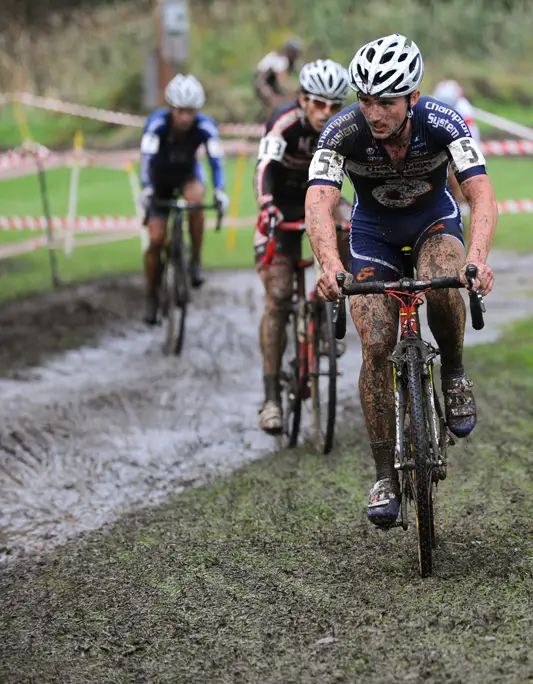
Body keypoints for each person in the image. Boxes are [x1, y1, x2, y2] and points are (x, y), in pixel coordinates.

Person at [304, 33, 499, 528]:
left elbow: (481, 194)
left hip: (434, 224)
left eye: (386, 101)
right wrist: (330, 266)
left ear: (412, 98)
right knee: (375, 346)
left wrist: (476, 258)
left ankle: (453, 370)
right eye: (365, 100)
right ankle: (384, 474)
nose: (374, 113)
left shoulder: (443, 122)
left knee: (442, 277)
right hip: (373, 236)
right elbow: (319, 203)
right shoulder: (341, 133)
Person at [253, 59, 354, 434]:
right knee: (278, 295)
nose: (325, 112)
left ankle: (327, 315)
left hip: (321, 202)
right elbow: (263, 167)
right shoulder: (284, 123)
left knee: (348, 230)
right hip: (281, 206)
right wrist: (266, 206)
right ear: (302, 100)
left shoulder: (344, 129)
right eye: (317, 103)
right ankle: (270, 399)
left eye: (333, 105)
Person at [138, 73, 229, 326]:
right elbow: (145, 159)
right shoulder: (156, 125)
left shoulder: (205, 126)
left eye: (190, 112)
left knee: (196, 199)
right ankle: (151, 295)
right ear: (170, 108)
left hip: (188, 176)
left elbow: (215, 161)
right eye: (179, 111)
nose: (184, 118)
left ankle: (195, 259)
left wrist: (220, 190)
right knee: (156, 239)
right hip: (159, 182)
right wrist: (146, 188)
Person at [430, 79, 480, 214]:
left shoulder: (464, 108)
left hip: (464, 146)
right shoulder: (434, 104)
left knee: (462, 181)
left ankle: (465, 211)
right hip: (442, 146)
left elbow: (471, 135)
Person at [254, 36, 306, 117]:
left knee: (286, 100)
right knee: (274, 100)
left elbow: (303, 71)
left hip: (272, 83)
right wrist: (293, 89)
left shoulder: (293, 61)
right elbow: (282, 79)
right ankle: (266, 120)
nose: (297, 55)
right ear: (289, 51)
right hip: (262, 82)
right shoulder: (280, 59)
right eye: (295, 52)